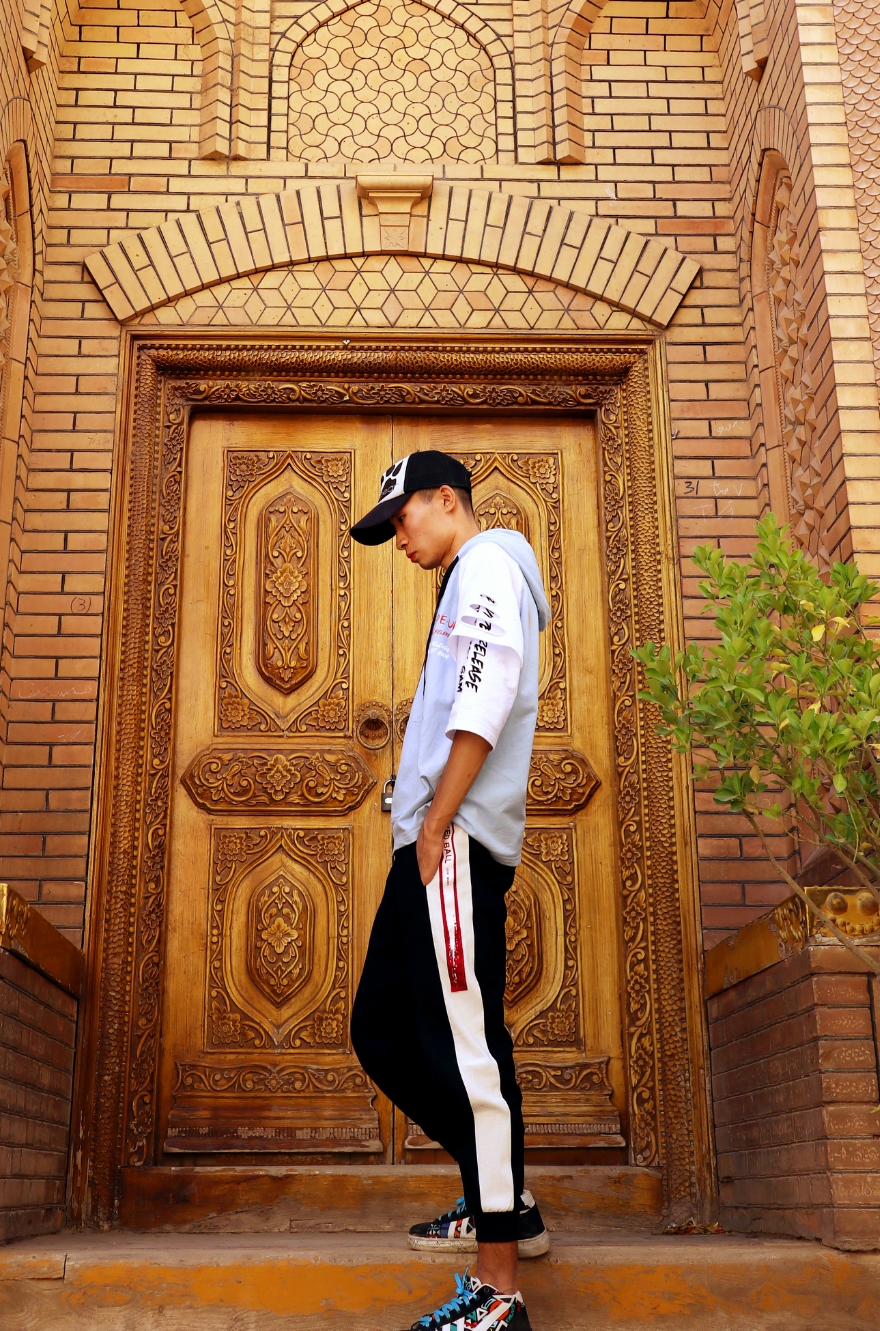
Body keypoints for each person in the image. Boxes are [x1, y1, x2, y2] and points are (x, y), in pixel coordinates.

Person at [350, 450, 551, 1331]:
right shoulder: (466, 575)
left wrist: (436, 821)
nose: (398, 537)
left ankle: (498, 1287)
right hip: (434, 840)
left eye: (401, 518)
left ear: (445, 499)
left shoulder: (486, 564)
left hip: (451, 841)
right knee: (383, 1030)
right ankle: (500, 1192)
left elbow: (483, 700)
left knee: (467, 1051)